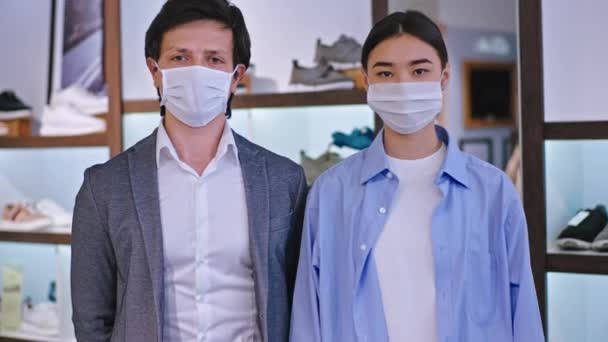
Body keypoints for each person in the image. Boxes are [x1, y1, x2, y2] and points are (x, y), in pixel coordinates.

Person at [290, 10, 544, 342]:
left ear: (444, 77)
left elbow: (521, 310)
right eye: (385, 72)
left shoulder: (493, 191)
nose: (403, 86)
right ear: (366, 81)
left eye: (419, 70)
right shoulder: (330, 193)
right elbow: (309, 317)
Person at [71, 1, 307, 341]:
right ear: (155, 71)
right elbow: (91, 319)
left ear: (235, 76)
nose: (197, 70)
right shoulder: (104, 187)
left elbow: (300, 303)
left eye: (214, 59)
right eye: (180, 58)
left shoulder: (285, 181)